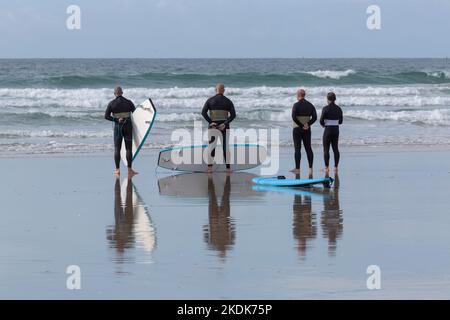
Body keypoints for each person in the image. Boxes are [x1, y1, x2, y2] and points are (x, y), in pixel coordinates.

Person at [201, 83, 236, 173]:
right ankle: (228, 169)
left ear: (215, 90)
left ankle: (210, 168)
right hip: (225, 127)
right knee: (225, 147)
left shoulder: (210, 100)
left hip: (213, 127)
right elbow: (233, 115)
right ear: (223, 90)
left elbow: (203, 112)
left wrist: (210, 121)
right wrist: (225, 123)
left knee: (212, 146)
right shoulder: (228, 101)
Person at [105, 86, 137, 177]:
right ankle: (130, 170)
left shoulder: (112, 103)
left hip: (118, 127)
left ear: (114, 93)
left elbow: (106, 116)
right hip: (128, 126)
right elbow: (136, 114)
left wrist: (116, 120)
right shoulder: (129, 102)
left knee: (117, 148)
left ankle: (117, 170)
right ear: (122, 93)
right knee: (128, 148)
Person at [290, 89, 317, 175]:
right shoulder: (310, 105)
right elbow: (315, 117)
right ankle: (310, 169)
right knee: (308, 148)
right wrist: (308, 124)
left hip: (297, 129)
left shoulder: (296, 105)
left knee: (297, 149)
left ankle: (297, 169)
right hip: (307, 129)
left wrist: (301, 125)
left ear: (298, 95)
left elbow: (294, 117)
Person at [319, 92, 343, 173]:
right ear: (335, 99)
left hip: (328, 130)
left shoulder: (325, 108)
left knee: (326, 149)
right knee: (335, 148)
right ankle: (335, 167)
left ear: (328, 99)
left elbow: (321, 120)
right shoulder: (339, 108)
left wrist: (323, 125)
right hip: (336, 130)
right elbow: (341, 121)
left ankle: (326, 167)